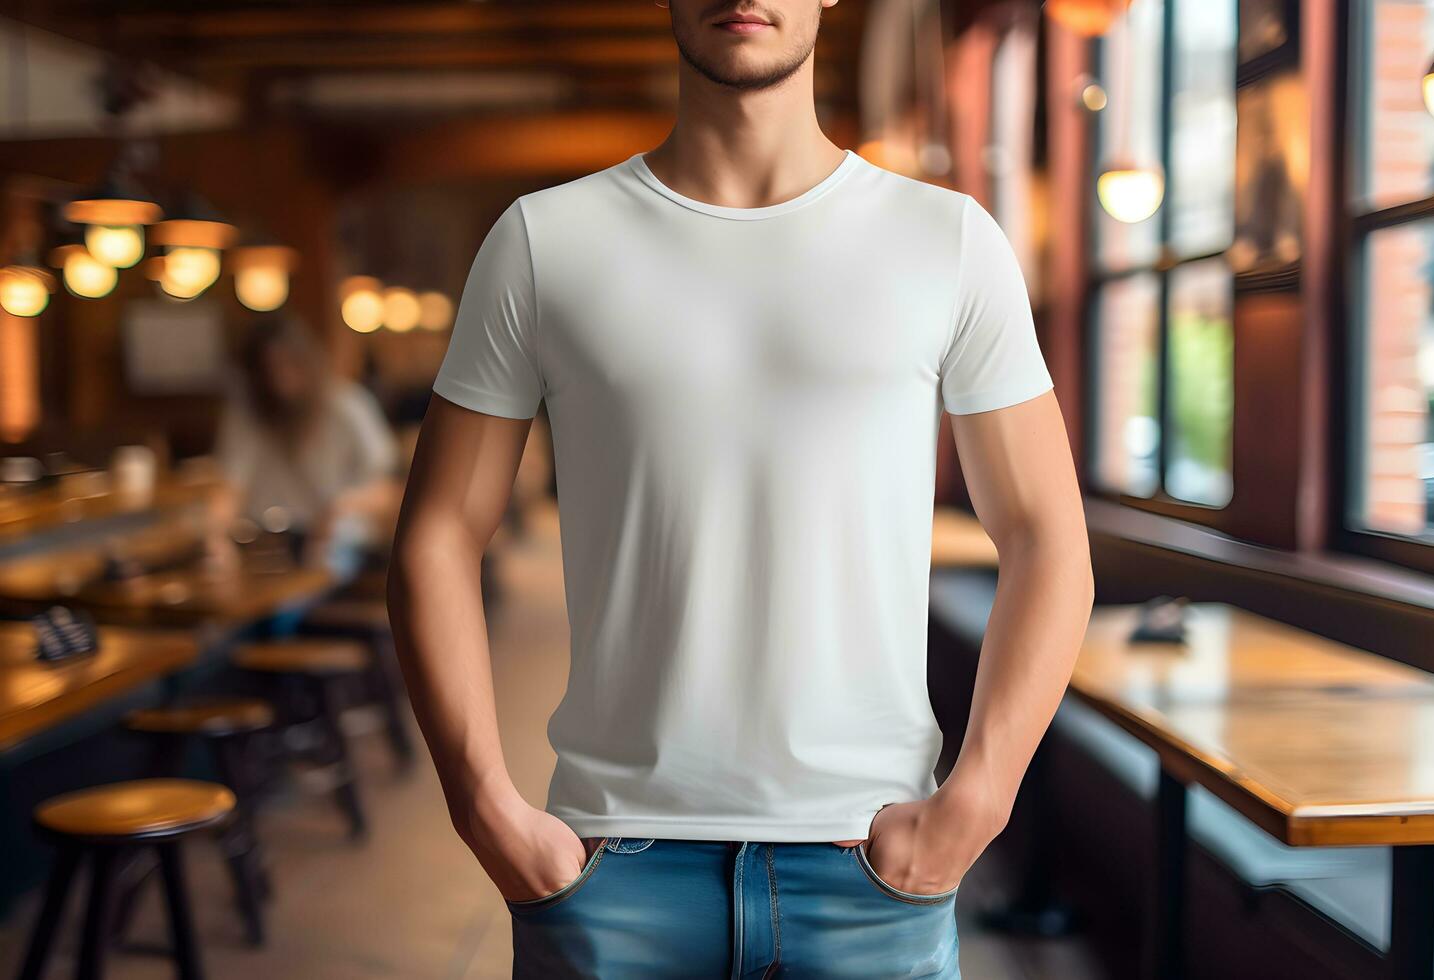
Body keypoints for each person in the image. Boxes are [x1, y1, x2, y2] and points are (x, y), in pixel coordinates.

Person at [387, 1, 1094, 975]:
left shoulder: (949, 241)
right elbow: (435, 534)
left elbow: (1046, 532)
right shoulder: (544, 241)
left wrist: (981, 797)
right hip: (609, 868)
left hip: (870, 867)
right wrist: (484, 807)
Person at [211, 312, 401, 579]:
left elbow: (388, 490)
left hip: (332, 539)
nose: (280, 382)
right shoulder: (249, 412)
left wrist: (341, 508)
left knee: (328, 558)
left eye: (287, 366)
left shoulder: (348, 406)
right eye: (269, 370)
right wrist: (215, 535)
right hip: (266, 542)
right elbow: (230, 486)